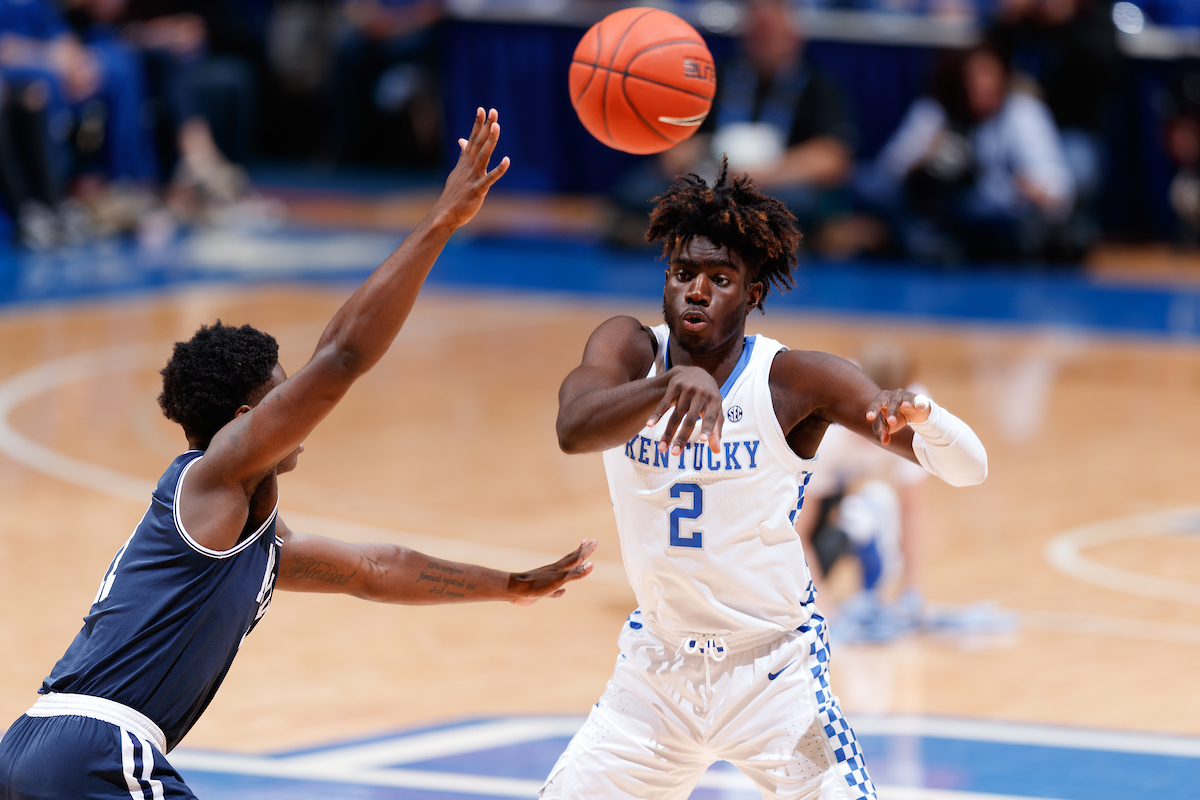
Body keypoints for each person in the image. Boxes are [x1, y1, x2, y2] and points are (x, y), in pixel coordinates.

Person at [0, 108, 596, 799]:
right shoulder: (217, 476)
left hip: (36, 745)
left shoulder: (240, 534)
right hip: (99, 751)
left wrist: (507, 585)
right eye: (285, 398)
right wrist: (439, 226)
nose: (301, 415)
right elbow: (342, 358)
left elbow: (372, 570)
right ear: (249, 420)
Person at [544, 161, 987, 799]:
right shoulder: (629, 350)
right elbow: (572, 429)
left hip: (774, 685)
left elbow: (970, 470)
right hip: (654, 683)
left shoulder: (793, 381)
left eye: (720, 279)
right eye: (683, 274)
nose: (696, 291)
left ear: (752, 294)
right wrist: (667, 385)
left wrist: (931, 417)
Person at [610, 0, 855, 248]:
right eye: (758, 29)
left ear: (795, 35)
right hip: (710, 180)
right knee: (636, 190)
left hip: (774, 185)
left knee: (797, 205)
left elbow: (832, 159)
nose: (764, 35)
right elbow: (673, 151)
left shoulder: (820, 86)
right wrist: (709, 154)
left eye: (772, 29)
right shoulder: (711, 77)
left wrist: (764, 175)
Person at [855, 42, 1074, 264]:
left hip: (1004, 219)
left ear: (1002, 78)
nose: (979, 85)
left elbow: (1056, 186)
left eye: (988, 75)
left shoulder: (1023, 113)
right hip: (945, 217)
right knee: (865, 183)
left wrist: (1033, 189)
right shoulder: (936, 112)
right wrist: (924, 161)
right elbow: (887, 173)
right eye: (971, 78)